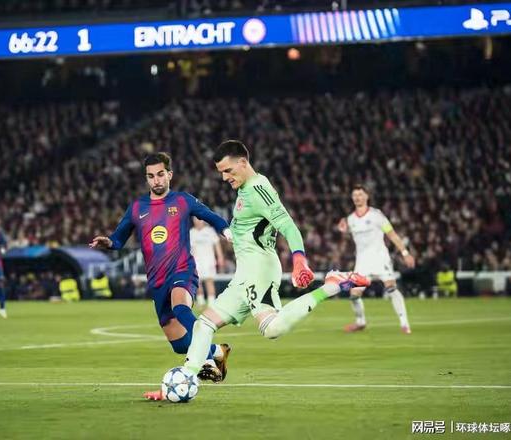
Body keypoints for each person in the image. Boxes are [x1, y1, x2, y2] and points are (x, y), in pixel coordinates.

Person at [143, 140, 369, 401]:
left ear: (243, 162)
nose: (224, 177)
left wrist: (299, 258)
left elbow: (288, 225)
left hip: (260, 268)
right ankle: (182, 381)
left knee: (271, 329)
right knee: (203, 325)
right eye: (221, 173)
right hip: (245, 273)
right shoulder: (244, 189)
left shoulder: (259, 188)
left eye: (228, 171)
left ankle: (333, 284)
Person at [89, 152, 233, 385]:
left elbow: (211, 217)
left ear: (169, 175)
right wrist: (109, 242)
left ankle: (206, 362)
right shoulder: (137, 207)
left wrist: (226, 231)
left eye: (160, 174)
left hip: (182, 270)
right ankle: (217, 351)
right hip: (157, 281)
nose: (156, 180)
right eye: (151, 176)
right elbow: (118, 239)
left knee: (180, 307)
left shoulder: (183, 201)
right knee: (179, 345)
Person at [337, 185, 416, 334]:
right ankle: (360, 322)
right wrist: (343, 231)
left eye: (360, 194)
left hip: (380, 258)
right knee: (354, 295)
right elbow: (350, 238)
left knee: (391, 288)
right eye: (355, 195)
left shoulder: (376, 215)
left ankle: (404, 324)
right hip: (362, 262)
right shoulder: (350, 219)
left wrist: (405, 253)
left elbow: (392, 235)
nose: (357, 197)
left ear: (367, 196)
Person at [190, 218, 225, 307]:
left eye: (199, 220)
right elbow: (190, 248)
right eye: (195, 220)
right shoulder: (191, 232)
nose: (198, 221)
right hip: (196, 260)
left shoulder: (210, 231)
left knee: (209, 280)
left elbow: (217, 244)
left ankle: (211, 302)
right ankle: (200, 301)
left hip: (209, 260)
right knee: (197, 282)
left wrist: (220, 257)